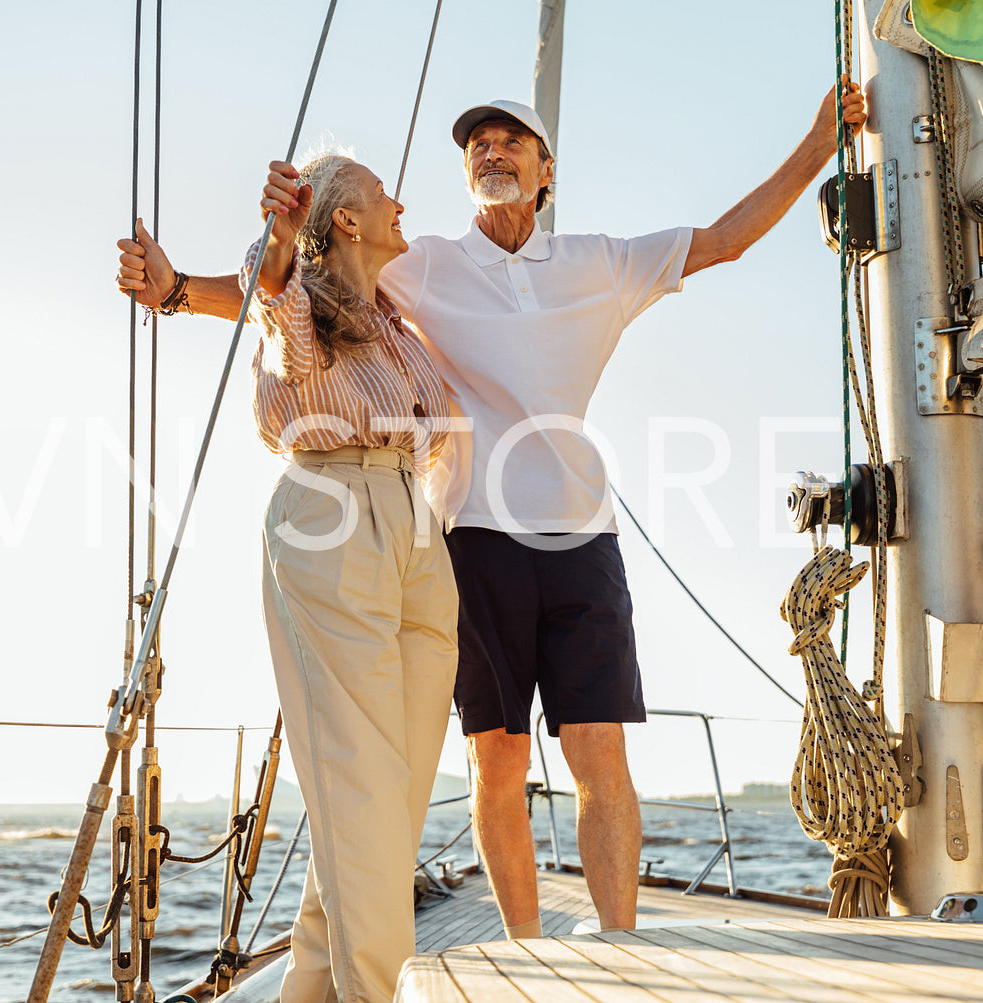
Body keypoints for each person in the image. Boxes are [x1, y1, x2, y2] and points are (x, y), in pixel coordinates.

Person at [118, 84, 866, 943]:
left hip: (581, 533)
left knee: (599, 754)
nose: (492, 151)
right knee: (496, 759)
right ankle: (528, 946)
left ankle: (618, 946)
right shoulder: (423, 263)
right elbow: (297, 283)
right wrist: (175, 290)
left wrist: (819, 140)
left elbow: (726, 241)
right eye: (477, 143)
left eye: (512, 141)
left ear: (546, 171)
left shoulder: (601, 262)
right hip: (470, 535)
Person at [230, 150, 458, 1003]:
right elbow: (276, 311)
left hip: (412, 522)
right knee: (360, 778)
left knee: (393, 790)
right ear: (346, 221)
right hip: (334, 509)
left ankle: (312, 989)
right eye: (379, 193)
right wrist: (279, 243)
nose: (400, 202)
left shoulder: (392, 319)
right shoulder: (298, 302)